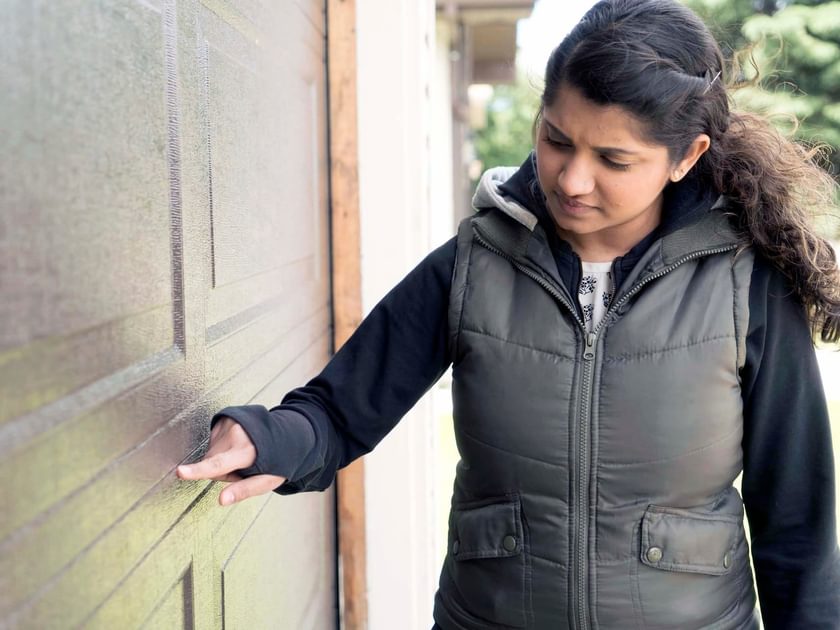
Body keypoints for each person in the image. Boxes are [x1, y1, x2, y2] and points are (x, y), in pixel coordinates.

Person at [177, 0, 840, 627]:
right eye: (557, 139)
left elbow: (798, 526)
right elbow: (340, 411)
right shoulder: (474, 263)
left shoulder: (746, 285)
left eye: (613, 159)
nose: (572, 180)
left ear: (686, 157)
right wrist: (268, 439)